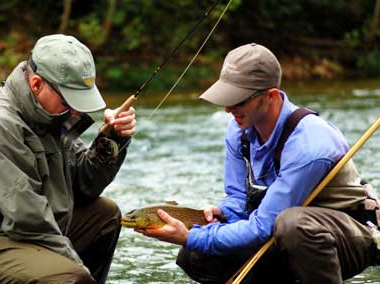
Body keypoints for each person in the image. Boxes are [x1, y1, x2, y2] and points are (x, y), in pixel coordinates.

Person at [136, 43, 380, 283]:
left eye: (239, 100)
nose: (228, 109)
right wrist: (222, 214)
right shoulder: (239, 129)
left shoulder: (310, 144)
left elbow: (263, 227)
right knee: (196, 255)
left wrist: (190, 236)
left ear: (270, 96)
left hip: (349, 236)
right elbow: (237, 201)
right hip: (282, 233)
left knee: (292, 225)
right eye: (226, 98)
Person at [0, 34, 136, 284]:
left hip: (12, 234)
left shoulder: (50, 116)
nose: (76, 111)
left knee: (104, 214)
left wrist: (111, 138)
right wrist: (81, 276)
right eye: (69, 100)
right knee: (71, 278)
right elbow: (29, 222)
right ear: (37, 84)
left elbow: (84, 187)